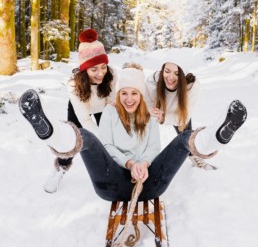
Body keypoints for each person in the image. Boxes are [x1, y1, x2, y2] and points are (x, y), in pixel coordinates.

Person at [19, 63, 247, 202]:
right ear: (118, 95)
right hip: (111, 184)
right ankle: (49, 130)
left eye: (134, 93)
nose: (129, 98)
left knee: (182, 140)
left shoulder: (148, 116)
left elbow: (154, 147)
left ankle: (218, 135)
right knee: (86, 138)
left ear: (141, 96)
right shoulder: (109, 113)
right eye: (124, 93)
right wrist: (129, 164)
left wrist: (145, 164)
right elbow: (107, 146)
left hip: (150, 184)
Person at [20, 28, 117, 194]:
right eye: (94, 69)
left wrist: (108, 134)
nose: (101, 73)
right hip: (81, 107)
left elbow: (111, 102)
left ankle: (114, 167)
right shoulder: (74, 85)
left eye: (103, 67)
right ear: (85, 69)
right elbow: (86, 121)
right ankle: (61, 168)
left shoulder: (112, 75)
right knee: (74, 137)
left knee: (112, 134)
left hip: (104, 105)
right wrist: (98, 140)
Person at [144, 60, 215, 170]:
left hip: (177, 110)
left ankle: (193, 155)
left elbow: (184, 117)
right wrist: (151, 111)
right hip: (157, 107)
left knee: (186, 132)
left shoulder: (191, 86)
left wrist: (164, 118)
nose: (170, 77)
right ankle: (143, 160)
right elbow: (146, 101)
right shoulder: (152, 81)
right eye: (167, 71)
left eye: (177, 73)